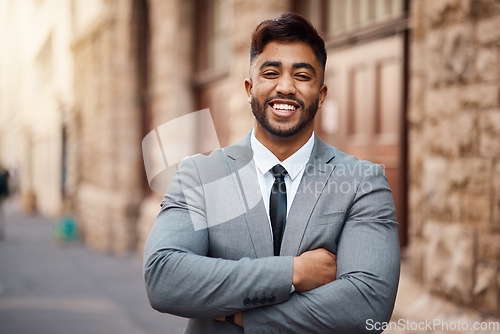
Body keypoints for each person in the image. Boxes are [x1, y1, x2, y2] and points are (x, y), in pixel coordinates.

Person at [144, 12, 400, 333]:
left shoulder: (363, 182)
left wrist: (247, 318)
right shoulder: (200, 174)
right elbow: (164, 278)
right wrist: (292, 272)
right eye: (271, 72)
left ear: (320, 95)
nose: (286, 87)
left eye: (303, 76)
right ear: (250, 89)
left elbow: (368, 304)